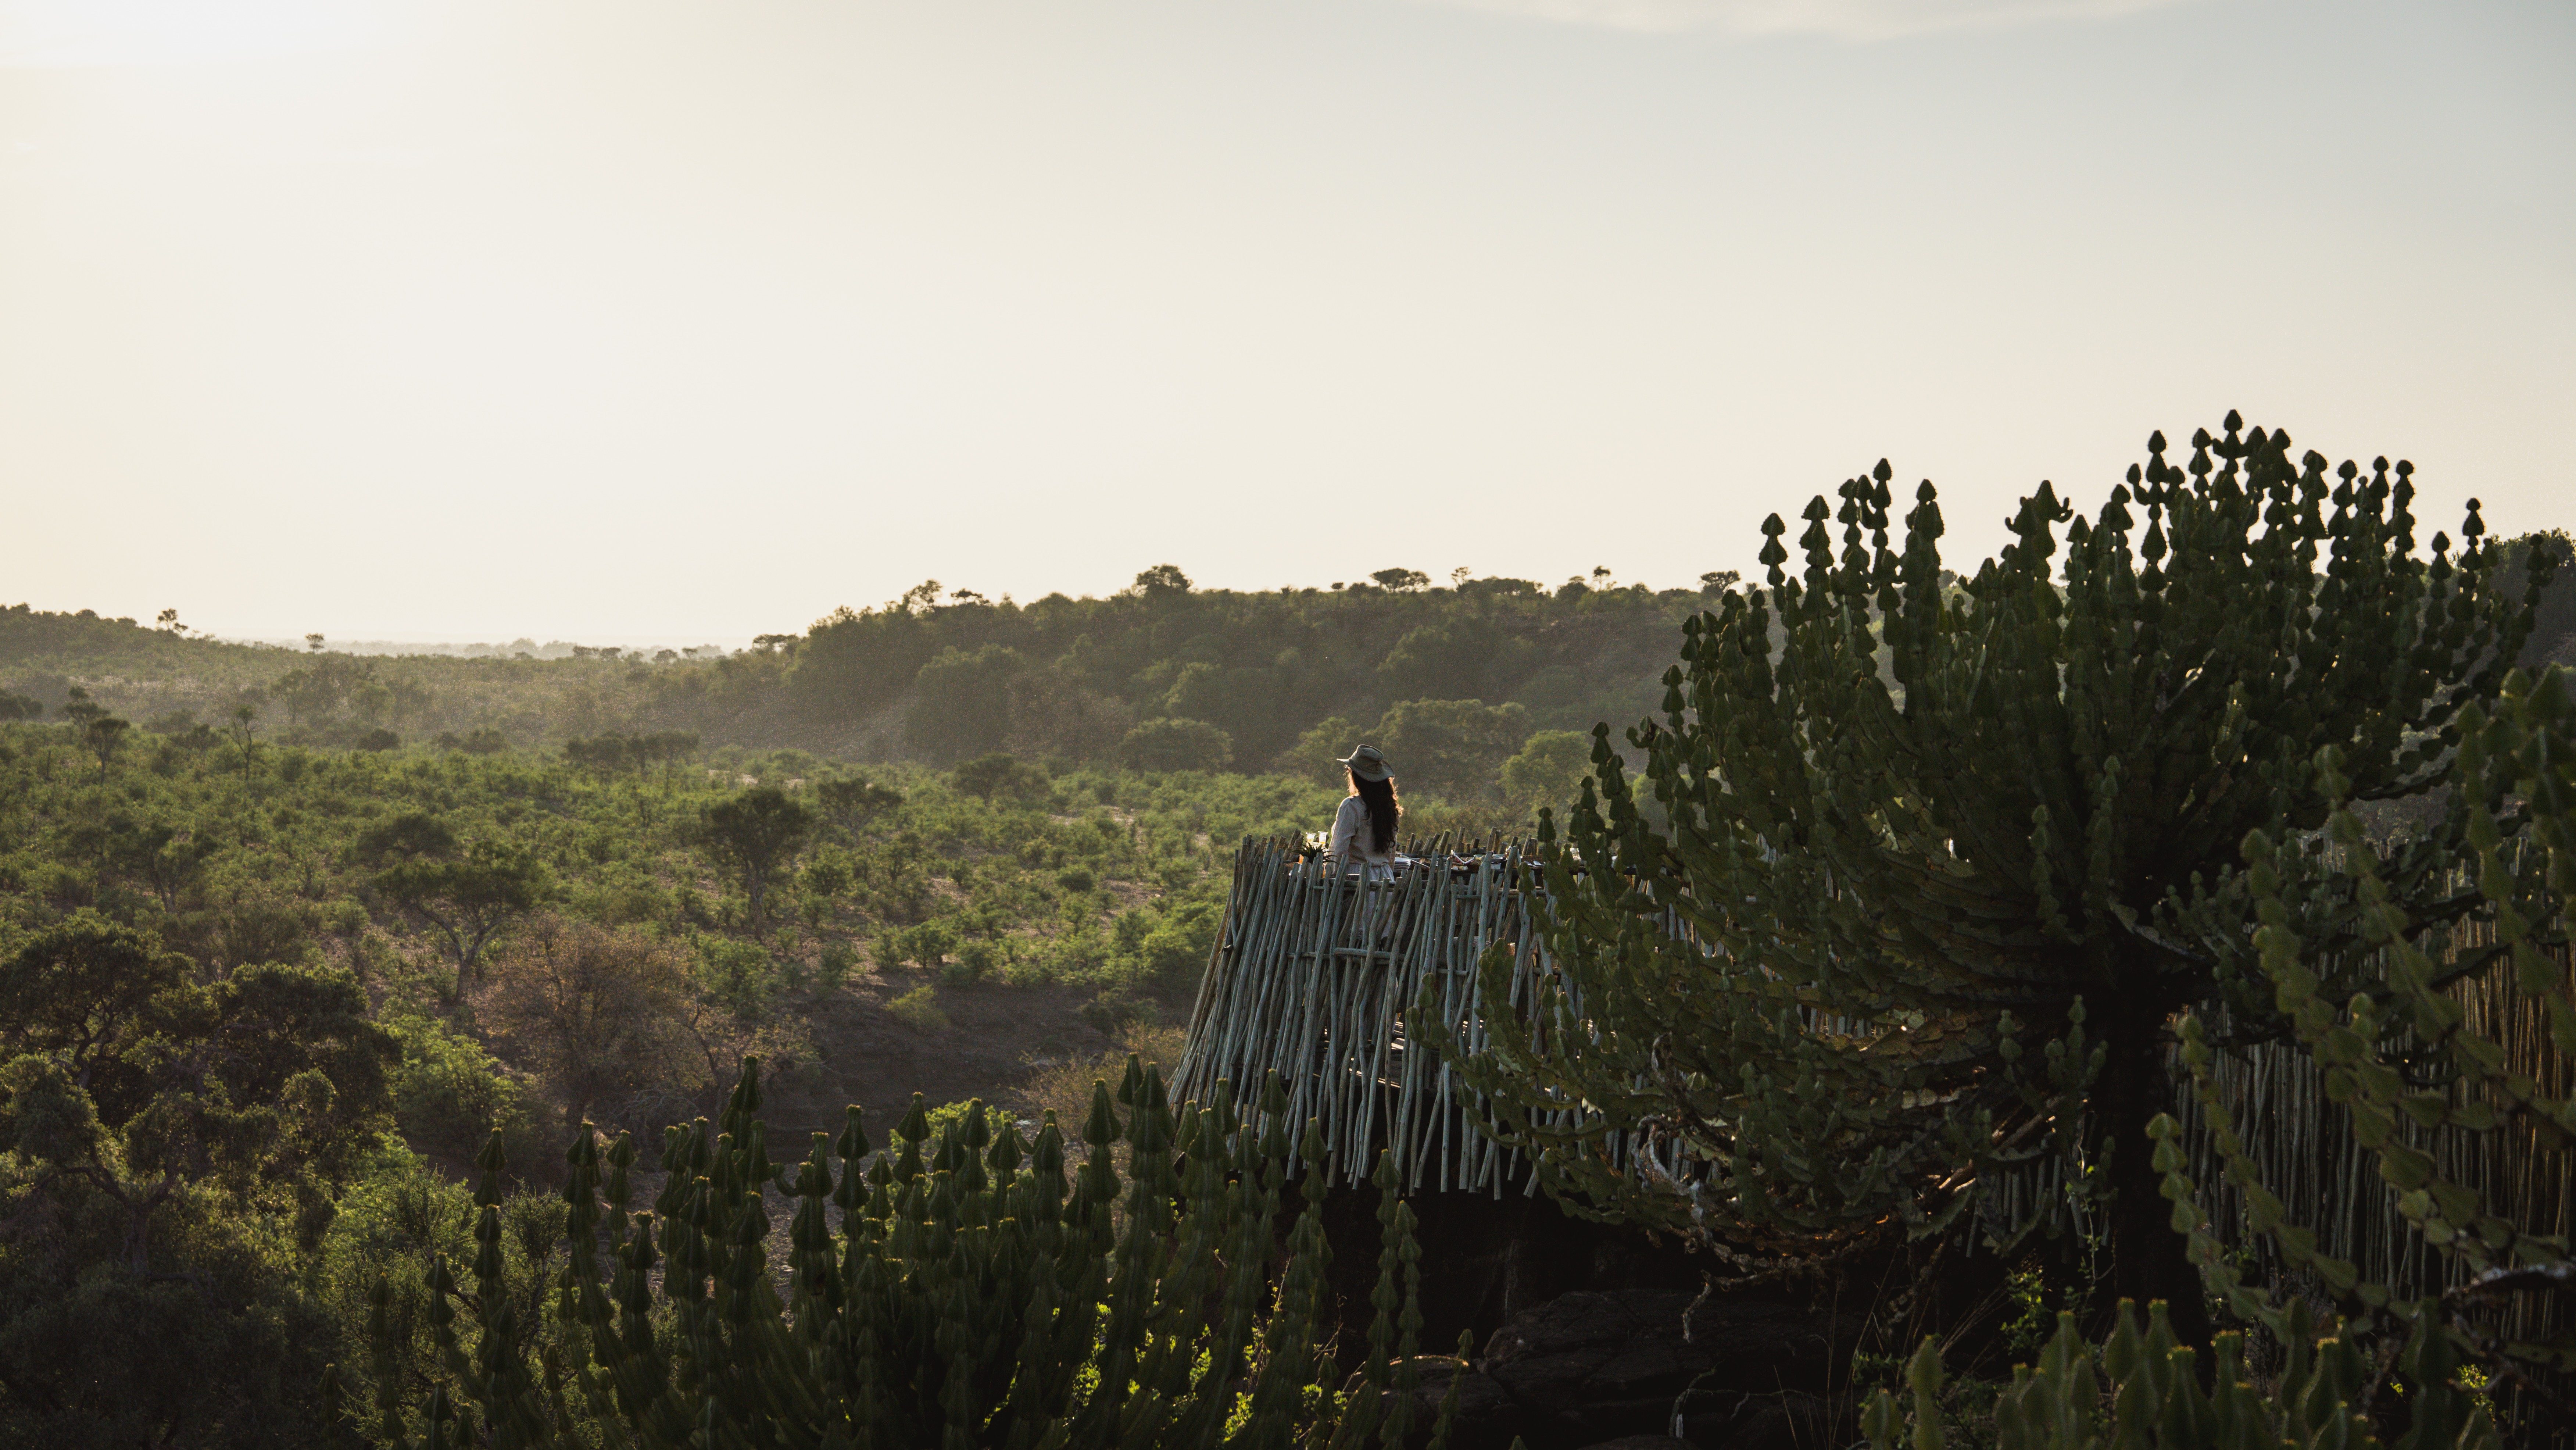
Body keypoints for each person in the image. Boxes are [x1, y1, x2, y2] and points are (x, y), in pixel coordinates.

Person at [1325, 744, 1401, 879]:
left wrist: (1330, 876)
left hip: (1356, 876)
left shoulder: (1351, 806)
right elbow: (1391, 854)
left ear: (1356, 776)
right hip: (1384, 876)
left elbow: (1339, 848)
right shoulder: (1390, 808)